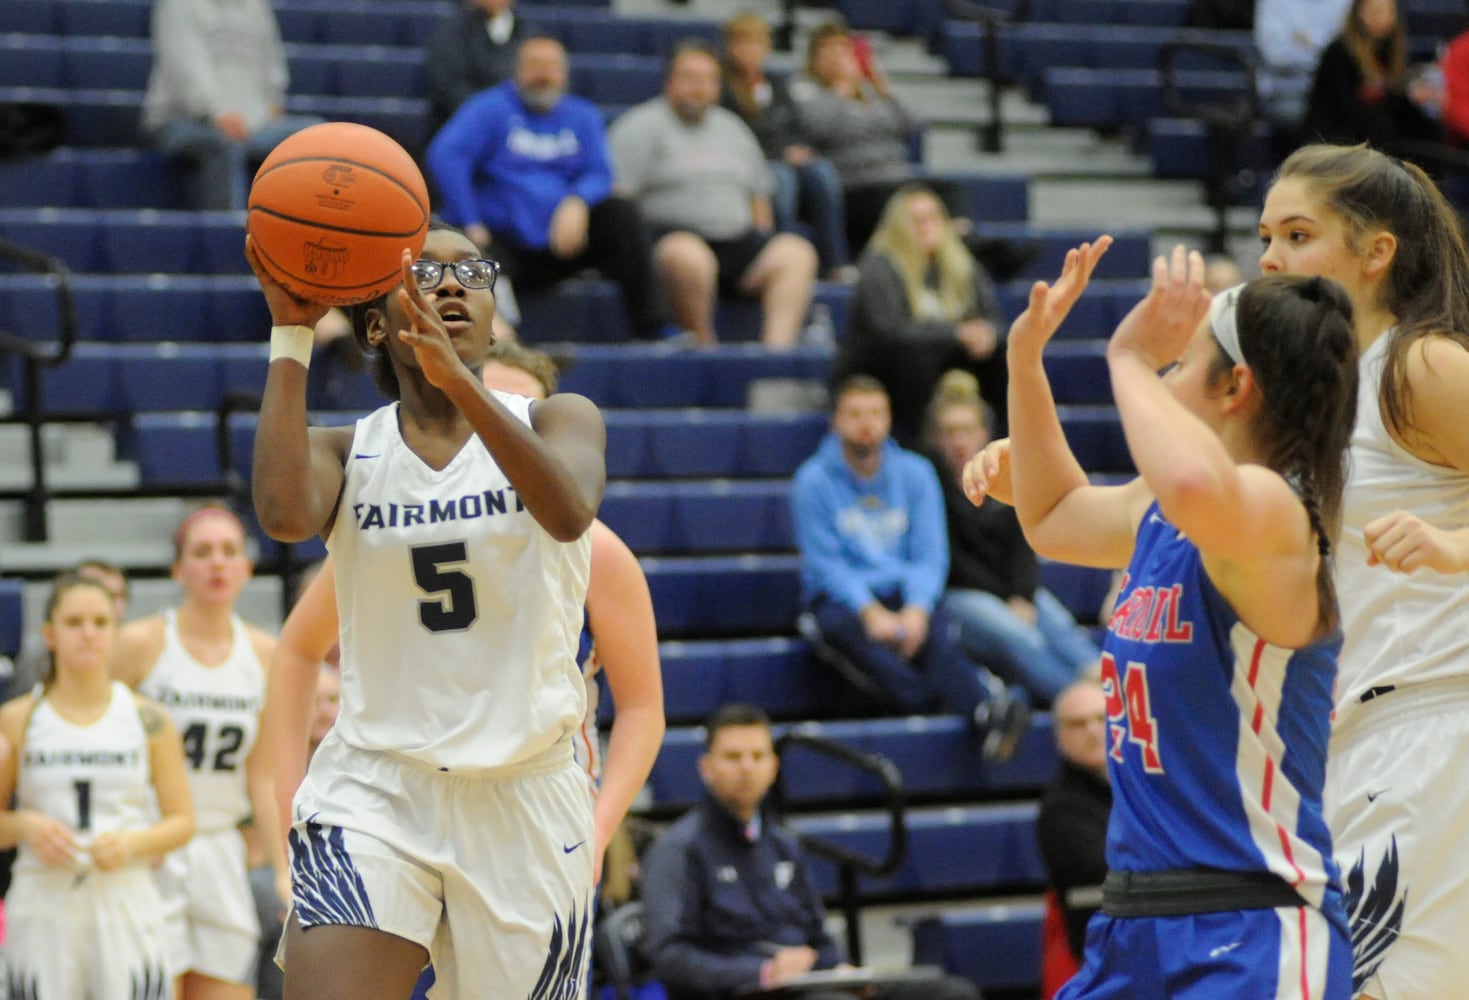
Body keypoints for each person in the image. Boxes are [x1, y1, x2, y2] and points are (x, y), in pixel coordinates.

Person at [963, 240, 1359, 996]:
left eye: (1181, 365)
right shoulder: (1166, 512)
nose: (1164, 376)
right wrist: (1025, 361)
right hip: (1135, 923)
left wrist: (1127, 358)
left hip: (1249, 928)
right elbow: (1053, 517)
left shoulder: (1279, 511)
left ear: (1234, 385)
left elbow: (1187, 479)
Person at [246, 218, 607, 999]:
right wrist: (290, 335)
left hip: (526, 795)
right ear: (376, 326)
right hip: (377, 785)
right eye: (424, 273)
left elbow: (571, 510)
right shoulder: (347, 451)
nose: (450, 285)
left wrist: (462, 386)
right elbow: (279, 514)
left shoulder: (559, 419)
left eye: (470, 274)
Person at [1257, 142, 1469, 999]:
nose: (1270, 258)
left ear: (1376, 252)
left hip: (1432, 722)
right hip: (1348, 745)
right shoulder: (1315, 395)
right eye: (1264, 236)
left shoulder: (1420, 366)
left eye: (1297, 234)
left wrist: (1460, 549)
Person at [640, 702, 982, 1000]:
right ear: (706, 768)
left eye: (757, 756)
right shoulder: (677, 849)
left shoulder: (784, 843)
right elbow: (670, 957)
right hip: (743, 991)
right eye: (733, 756)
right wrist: (762, 972)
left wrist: (840, 970)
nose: (746, 767)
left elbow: (820, 938)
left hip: (809, 986)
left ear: (773, 768)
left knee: (950, 993)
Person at [791, 375, 1030, 763]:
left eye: (875, 413)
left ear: (888, 419)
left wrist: (917, 609)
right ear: (835, 421)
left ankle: (976, 708)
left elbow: (930, 554)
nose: (866, 423)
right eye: (854, 414)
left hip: (906, 592)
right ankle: (973, 704)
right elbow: (825, 565)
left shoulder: (916, 472)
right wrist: (869, 611)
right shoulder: (812, 481)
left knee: (935, 627)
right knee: (858, 641)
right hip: (841, 601)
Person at [109, 504, 285, 1000]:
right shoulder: (141, 643)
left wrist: (283, 868)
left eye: (229, 552)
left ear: (248, 567)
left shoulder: (266, 653)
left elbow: (264, 776)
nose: (217, 563)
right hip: (147, 849)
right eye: (202, 552)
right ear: (177, 569)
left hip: (218, 852)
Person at [0, 571, 195, 1000]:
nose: (87, 634)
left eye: (100, 622)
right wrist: (26, 826)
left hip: (125, 894)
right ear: (49, 634)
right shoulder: (17, 718)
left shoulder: (151, 719)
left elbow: (182, 821)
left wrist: (132, 844)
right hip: (42, 896)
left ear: (116, 632)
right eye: (73, 623)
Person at [428, 36, 665, 340]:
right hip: (502, 243)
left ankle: (654, 328)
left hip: (564, 244)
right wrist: (470, 220)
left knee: (622, 213)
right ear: (515, 71)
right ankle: (503, 340)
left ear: (564, 74)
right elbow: (446, 156)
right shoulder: (489, 108)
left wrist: (578, 201)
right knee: (465, 248)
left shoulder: (583, 116)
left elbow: (600, 173)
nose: (543, 75)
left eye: (552, 67)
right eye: (534, 66)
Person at [608, 39, 818, 348]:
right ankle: (707, 349)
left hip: (737, 240)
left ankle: (775, 354)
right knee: (690, 256)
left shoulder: (734, 128)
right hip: (672, 240)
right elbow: (618, 198)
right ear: (669, 81)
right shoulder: (638, 127)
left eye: (708, 80)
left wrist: (761, 231)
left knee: (797, 253)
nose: (699, 88)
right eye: (690, 78)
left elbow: (758, 196)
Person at [927, 371, 1099, 707]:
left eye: (966, 430)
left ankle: (1106, 682)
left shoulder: (1002, 473)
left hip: (1009, 589)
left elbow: (1025, 544)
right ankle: (1083, 705)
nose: (959, 440)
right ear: (937, 439)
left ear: (984, 433)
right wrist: (1007, 599)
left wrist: (1020, 594)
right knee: (1021, 636)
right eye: (949, 432)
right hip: (960, 593)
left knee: (1059, 624)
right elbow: (949, 560)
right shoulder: (929, 481)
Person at [844, 183, 1006, 447]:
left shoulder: (961, 263)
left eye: (933, 218)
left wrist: (987, 334)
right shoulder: (880, 265)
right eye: (916, 220)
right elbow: (889, 331)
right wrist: (956, 333)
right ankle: (921, 447)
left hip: (945, 359)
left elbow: (993, 319)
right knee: (916, 356)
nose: (926, 226)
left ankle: (1003, 446)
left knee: (1002, 353)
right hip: (889, 369)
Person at [140, 0, 322, 211]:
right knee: (223, 145)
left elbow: (272, 65)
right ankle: (230, 234)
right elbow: (185, 67)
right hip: (185, 120)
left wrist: (274, 103)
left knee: (316, 138)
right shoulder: (178, 5)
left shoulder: (256, 5)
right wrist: (216, 113)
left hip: (254, 125)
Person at [721, 13, 849, 279]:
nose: (750, 50)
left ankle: (835, 263)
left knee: (821, 172)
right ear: (730, 47)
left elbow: (795, 126)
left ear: (767, 47)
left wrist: (798, 148)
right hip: (750, 164)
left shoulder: (777, 84)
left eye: (756, 43)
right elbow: (733, 134)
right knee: (782, 178)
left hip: (785, 157)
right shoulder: (724, 88)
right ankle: (783, 257)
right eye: (743, 43)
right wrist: (780, 153)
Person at [1034, 678, 1110, 971]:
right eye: (1078, 724)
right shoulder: (1059, 810)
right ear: (1059, 736)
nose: (1093, 731)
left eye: (1102, 719)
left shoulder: (1143, 789)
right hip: (1102, 951)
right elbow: (1108, 870)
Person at [1303, 0, 1440, 155]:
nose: (1384, 18)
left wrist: (1412, 97)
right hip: (1337, 133)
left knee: (1428, 127)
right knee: (1379, 125)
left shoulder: (1390, 51)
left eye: (1389, 12)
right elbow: (1343, 108)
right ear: (1359, 14)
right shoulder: (1339, 52)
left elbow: (1393, 98)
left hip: (1375, 125)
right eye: (1376, 11)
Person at [6, 559, 130, 702]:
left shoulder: (137, 656)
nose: (89, 634)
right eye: (74, 622)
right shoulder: (34, 659)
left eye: (118, 595)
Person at [422, 0, 535, 140]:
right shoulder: (450, 34)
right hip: (463, 129)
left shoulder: (530, 34)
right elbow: (446, 87)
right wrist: (489, 117)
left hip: (519, 133)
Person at [1254, 0, 1353, 141]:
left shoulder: (1345, 3)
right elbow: (1275, 55)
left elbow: (1345, 50)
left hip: (1337, 88)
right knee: (1295, 113)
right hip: (1286, 90)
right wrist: (1323, 49)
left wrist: (1305, 42)